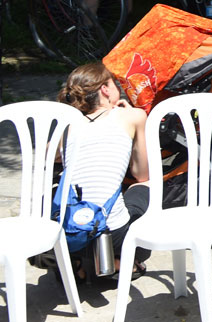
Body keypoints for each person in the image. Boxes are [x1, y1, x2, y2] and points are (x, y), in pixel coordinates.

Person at [56, 63, 151, 276]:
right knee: (147, 186)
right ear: (105, 90)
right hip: (115, 235)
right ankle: (119, 260)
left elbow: (49, 157)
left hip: (68, 232)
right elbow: (141, 173)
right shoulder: (133, 116)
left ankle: (76, 262)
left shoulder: (68, 125)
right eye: (114, 84)